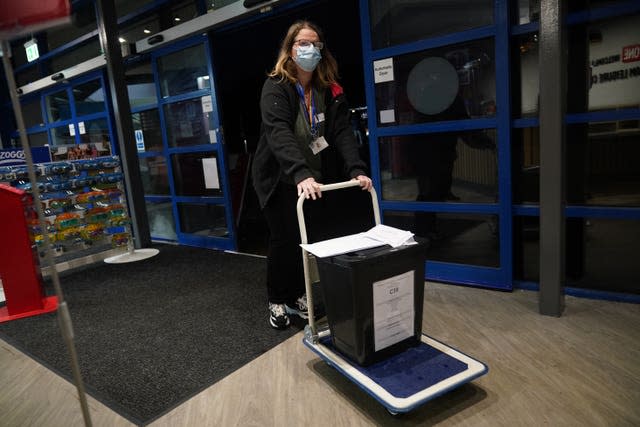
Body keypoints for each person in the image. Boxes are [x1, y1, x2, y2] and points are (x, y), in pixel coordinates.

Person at [252, 20, 372, 330]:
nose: (310, 49)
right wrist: (299, 173)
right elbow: (278, 132)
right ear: (290, 50)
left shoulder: (328, 88)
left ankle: (295, 295)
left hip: (313, 178)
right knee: (284, 238)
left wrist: (356, 169)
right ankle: (278, 298)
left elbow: (343, 131)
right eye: (302, 44)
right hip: (280, 177)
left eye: (315, 44)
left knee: (304, 240)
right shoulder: (276, 85)